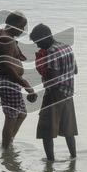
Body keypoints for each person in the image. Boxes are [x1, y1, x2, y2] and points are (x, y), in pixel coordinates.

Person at [29, 23, 78, 161]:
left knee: (46, 130)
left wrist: (42, 70)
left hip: (54, 94)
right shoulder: (67, 47)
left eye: (38, 42)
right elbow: (75, 70)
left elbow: (54, 77)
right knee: (69, 129)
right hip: (68, 93)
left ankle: (50, 161)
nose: (38, 46)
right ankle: (73, 157)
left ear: (44, 38)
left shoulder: (51, 51)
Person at [0, 12, 37, 150]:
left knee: (21, 114)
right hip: (8, 81)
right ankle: (6, 149)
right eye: (21, 27)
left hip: (9, 81)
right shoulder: (7, 40)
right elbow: (7, 66)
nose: (23, 30)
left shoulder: (1, 34)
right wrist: (26, 84)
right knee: (11, 117)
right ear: (13, 24)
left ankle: (8, 142)